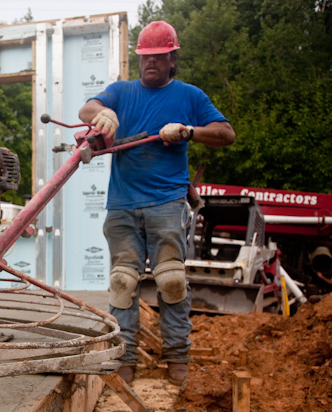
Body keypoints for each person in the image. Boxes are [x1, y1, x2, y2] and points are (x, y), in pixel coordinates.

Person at [78, 21, 236, 385]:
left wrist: (188, 130)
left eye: (158, 57)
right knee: (123, 282)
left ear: (172, 58)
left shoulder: (189, 96)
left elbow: (226, 133)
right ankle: (125, 360)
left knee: (171, 281)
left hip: (166, 202)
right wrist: (104, 113)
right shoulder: (121, 92)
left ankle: (178, 358)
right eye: (145, 57)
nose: (150, 63)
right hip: (122, 204)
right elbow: (88, 109)